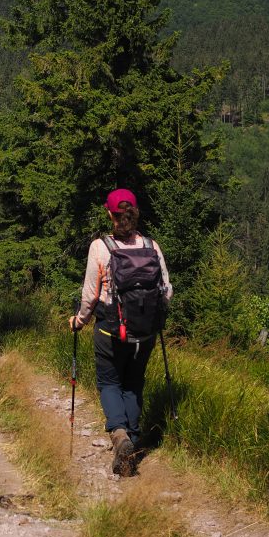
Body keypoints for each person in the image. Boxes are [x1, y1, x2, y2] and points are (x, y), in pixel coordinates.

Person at [69, 188, 172, 477]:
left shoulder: (101, 247)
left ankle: (120, 436)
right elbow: (166, 290)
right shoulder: (152, 246)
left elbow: (90, 295)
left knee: (110, 384)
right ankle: (134, 442)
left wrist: (79, 321)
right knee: (134, 385)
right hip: (145, 333)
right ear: (135, 212)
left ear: (110, 215)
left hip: (111, 331)